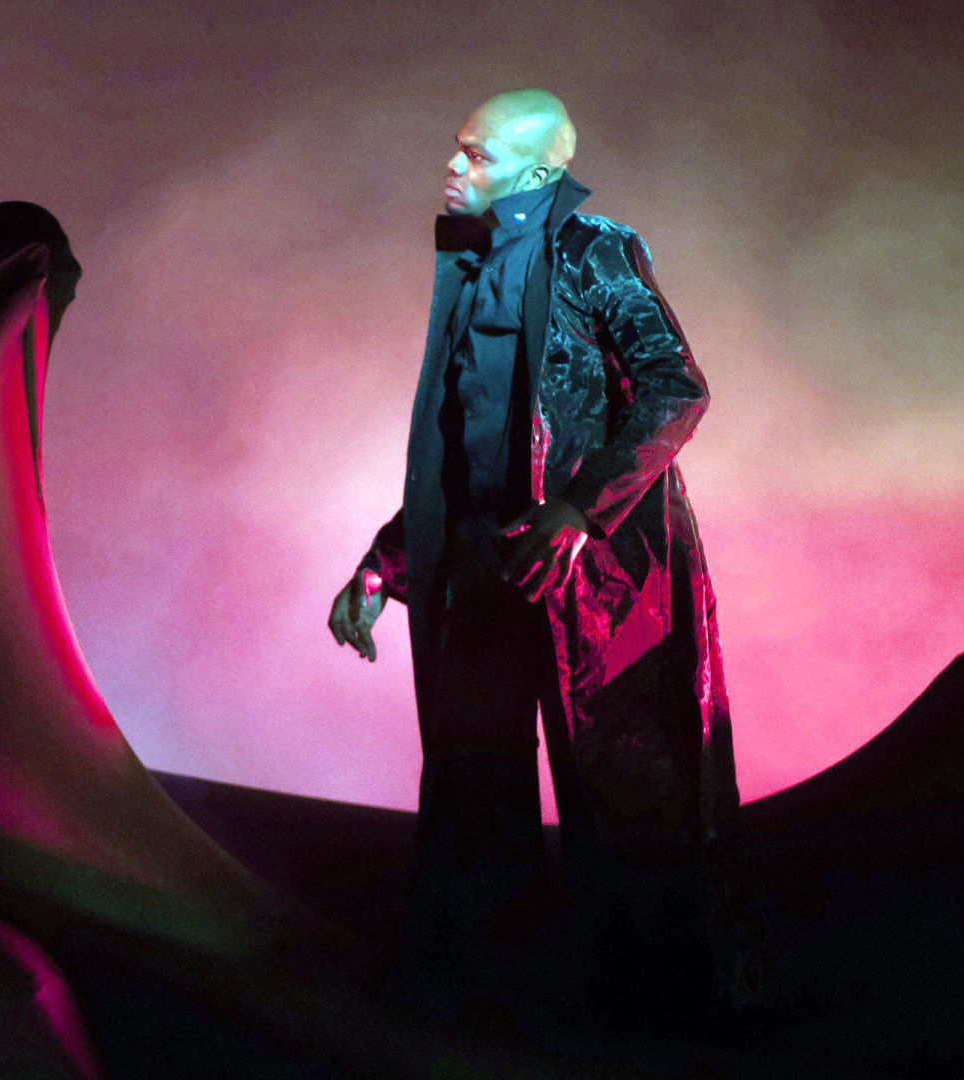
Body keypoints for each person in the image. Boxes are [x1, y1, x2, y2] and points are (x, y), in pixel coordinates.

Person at [326, 88, 745, 1029]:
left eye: (477, 155)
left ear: (541, 171)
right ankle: (483, 1004)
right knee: (472, 785)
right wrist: (384, 566)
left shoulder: (596, 250)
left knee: (630, 795)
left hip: (603, 578)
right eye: (457, 147)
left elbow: (676, 388)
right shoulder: (469, 265)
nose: (452, 166)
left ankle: (658, 1022)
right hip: (485, 571)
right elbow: (460, 453)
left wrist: (582, 509)